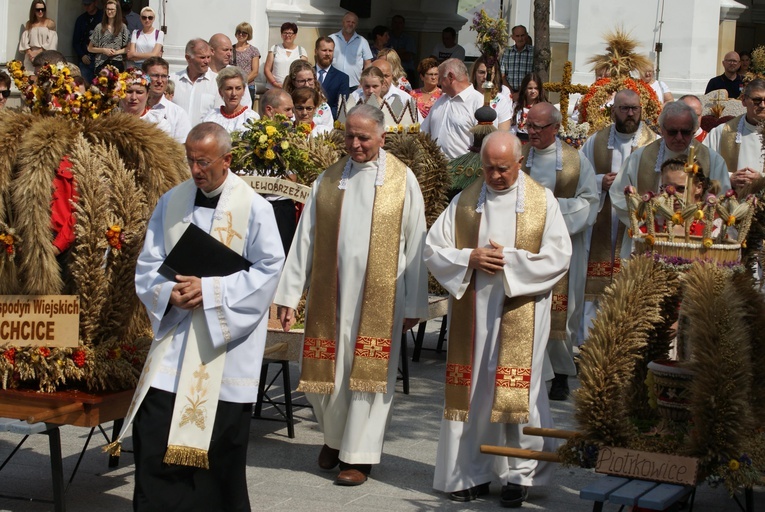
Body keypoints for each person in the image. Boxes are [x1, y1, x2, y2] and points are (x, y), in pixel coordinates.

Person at [116, 121, 284, 511]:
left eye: (203, 162)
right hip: (174, 346)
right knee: (154, 436)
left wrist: (209, 290)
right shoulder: (171, 202)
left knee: (217, 457)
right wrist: (167, 292)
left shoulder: (254, 207)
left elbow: (268, 270)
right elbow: (149, 264)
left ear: (226, 160)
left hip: (221, 351)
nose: (195, 170)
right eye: (190, 160)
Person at [274, 103, 428, 486]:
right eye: (350, 136)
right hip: (332, 296)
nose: (355, 144)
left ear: (382, 137)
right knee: (328, 372)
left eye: (363, 137)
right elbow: (304, 241)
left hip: (381, 298)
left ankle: (358, 455)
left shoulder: (401, 179)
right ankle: (333, 437)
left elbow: (416, 245)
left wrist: (414, 303)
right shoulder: (327, 181)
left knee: (367, 377)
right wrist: (288, 296)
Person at [427, 130, 572, 508]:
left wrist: (509, 260)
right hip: (474, 314)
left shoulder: (543, 203)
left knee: (519, 389)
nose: (494, 176)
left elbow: (559, 257)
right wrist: (468, 259)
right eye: (488, 168)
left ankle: (519, 476)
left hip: (521, 308)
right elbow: (433, 248)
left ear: (520, 163)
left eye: (503, 169)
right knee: (474, 392)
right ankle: (469, 473)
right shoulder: (465, 202)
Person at [522, 102, 598, 401]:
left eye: (539, 127)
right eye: (529, 126)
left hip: (563, 247)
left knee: (562, 312)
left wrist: (547, 209)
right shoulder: (517, 155)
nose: (532, 133)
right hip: (522, 246)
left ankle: (561, 374)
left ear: (555, 128)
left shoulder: (576, 161)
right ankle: (529, 368)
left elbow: (590, 202)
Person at [580, 89, 656, 345]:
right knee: (596, 286)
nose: (631, 113)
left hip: (635, 223)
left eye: (635, 108)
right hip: (603, 220)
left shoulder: (652, 142)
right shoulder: (596, 141)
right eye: (625, 108)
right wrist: (601, 181)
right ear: (613, 111)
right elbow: (581, 176)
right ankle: (590, 342)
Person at [610, 101, 732, 260]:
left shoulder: (712, 160)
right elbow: (619, 195)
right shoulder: (639, 158)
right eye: (673, 132)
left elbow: (722, 203)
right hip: (650, 239)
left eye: (686, 132)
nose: (679, 137)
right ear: (662, 129)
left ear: (694, 130)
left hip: (697, 243)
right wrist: (645, 219)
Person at [422, 59, 510, 159]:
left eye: (441, 78)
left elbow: (489, 143)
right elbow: (424, 131)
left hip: (464, 171)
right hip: (436, 169)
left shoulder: (478, 102)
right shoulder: (440, 100)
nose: (438, 83)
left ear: (451, 77)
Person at [704, 78, 765, 192]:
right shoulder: (722, 132)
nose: (762, 105)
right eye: (757, 100)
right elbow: (702, 164)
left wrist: (761, 179)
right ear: (744, 101)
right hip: (730, 204)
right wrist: (728, 177)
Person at [259, 88, 297, 254]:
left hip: (283, 207)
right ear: (269, 110)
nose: (291, 115)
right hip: (258, 206)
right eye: (287, 109)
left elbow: (294, 177)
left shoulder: (293, 137)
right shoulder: (249, 137)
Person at [172, 39, 222, 126]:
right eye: (202, 57)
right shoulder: (173, 80)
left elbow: (219, 116)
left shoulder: (218, 82)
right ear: (188, 58)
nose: (207, 61)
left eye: (209, 57)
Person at [143, 56, 192, 144]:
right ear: (144, 77)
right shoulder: (132, 108)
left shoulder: (177, 113)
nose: (160, 81)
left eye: (164, 76)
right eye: (155, 76)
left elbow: (182, 147)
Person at [203, 66, 259, 134]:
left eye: (238, 88)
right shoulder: (212, 116)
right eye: (229, 89)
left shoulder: (251, 117)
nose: (234, 93)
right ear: (221, 92)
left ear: (244, 91)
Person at [120, 68, 172, 136]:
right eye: (129, 92)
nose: (133, 97)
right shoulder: (110, 120)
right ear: (120, 93)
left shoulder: (158, 122)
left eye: (139, 92)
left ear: (147, 94)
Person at [283, 60, 333, 129]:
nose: (306, 85)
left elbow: (328, 131)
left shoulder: (323, 106)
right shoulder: (285, 105)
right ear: (293, 82)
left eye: (309, 80)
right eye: (302, 81)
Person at [330, 11, 373, 90]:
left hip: (355, 85)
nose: (350, 24)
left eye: (353, 22)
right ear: (343, 22)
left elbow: (368, 64)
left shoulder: (362, 41)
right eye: (348, 21)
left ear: (356, 25)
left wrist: (363, 82)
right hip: (334, 83)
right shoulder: (332, 39)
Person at [208, 33, 253, 109]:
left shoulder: (237, 75)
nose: (229, 54)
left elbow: (246, 105)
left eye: (231, 50)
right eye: (225, 50)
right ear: (212, 51)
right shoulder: (201, 76)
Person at [469, 55, 513, 126]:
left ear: (494, 75)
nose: (486, 77)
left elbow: (503, 130)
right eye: (481, 72)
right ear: (475, 73)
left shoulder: (500, 99)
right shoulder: (466, 96)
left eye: (490, 73)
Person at [88, 0, 130, 73]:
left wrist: (116, 52)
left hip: (117, 62)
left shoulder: (122, 27)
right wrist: (104, 50)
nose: (109, 12)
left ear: (117, 11)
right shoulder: (99, 27)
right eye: (108, 9)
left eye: (112, 9)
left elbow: (128, 48)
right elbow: (90, 48)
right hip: (101, 63)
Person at [314, 36, 350, 120]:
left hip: (330, 123)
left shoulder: (342, 78)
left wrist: (322, 119)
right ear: (316, 51)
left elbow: (340, 106)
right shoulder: (307, 74)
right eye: (324, 50)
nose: (328, 54)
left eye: (330, 50)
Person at [264, 22, 308, 89]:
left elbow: (303, 71)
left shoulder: (301, 51)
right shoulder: (274, 48)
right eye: (285, 33)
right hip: (274, 88)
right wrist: (274, 83)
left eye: (290, 33)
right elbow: (267, 69)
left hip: (294, 89)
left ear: (295, 35)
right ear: (281, 35)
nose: (287, 35)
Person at [19, 0, 58, 71]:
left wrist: (37, 53)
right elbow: (24, 41)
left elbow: (51, 42)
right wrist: (30, 53)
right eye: (38, 10)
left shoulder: (49, 23)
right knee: (29, 78)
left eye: (42, 9)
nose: (40, 11)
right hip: (30, 57)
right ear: (33, 10)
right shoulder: (29, 24)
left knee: (43, 77)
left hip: (45, 56)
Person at [500, 25, 534, 101]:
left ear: (526, 35)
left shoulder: (533, 52)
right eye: (517, 36)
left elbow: (535, 75)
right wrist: (511, 93)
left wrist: (521, 93)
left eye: (522, 35)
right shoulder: (506, 52)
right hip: (509, 94)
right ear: (513, 37)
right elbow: (502, 75)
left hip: (528, 93)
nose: (520, 38)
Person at [510, 73, 547, 142]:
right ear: (524, 89)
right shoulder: (516, 107)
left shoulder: (544, 108)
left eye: (536, 88)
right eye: (530, 88)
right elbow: (512, 129)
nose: (533, 91)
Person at [72, 0, 102, 84]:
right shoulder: (81, 19)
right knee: (85, 85)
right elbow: (76, 41)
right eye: (85, 4)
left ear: (95, 3)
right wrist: (82, 55)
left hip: (101, 58)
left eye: (89, 4)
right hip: (86, 59)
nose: (87, 7)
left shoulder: (103, 17)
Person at [233, 22, 261, 103]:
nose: (241, 35)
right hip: (232, 86)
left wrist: (242, 82)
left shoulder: (253, 50)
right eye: (238, 32)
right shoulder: (230, 49)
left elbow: (255, 71)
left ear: (248, 35)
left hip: (248, 86)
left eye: (244, 33)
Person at [389, 15, 417, 82]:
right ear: (392, 24)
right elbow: (386, 55)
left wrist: (393, 53)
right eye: (395, 22)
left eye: (400, 23)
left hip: (406, 71)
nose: (397, 25)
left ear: (403, 25)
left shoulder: (409, 39)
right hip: (390, 70)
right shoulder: (388, 38)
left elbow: (408, 57)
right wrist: (402, 51)